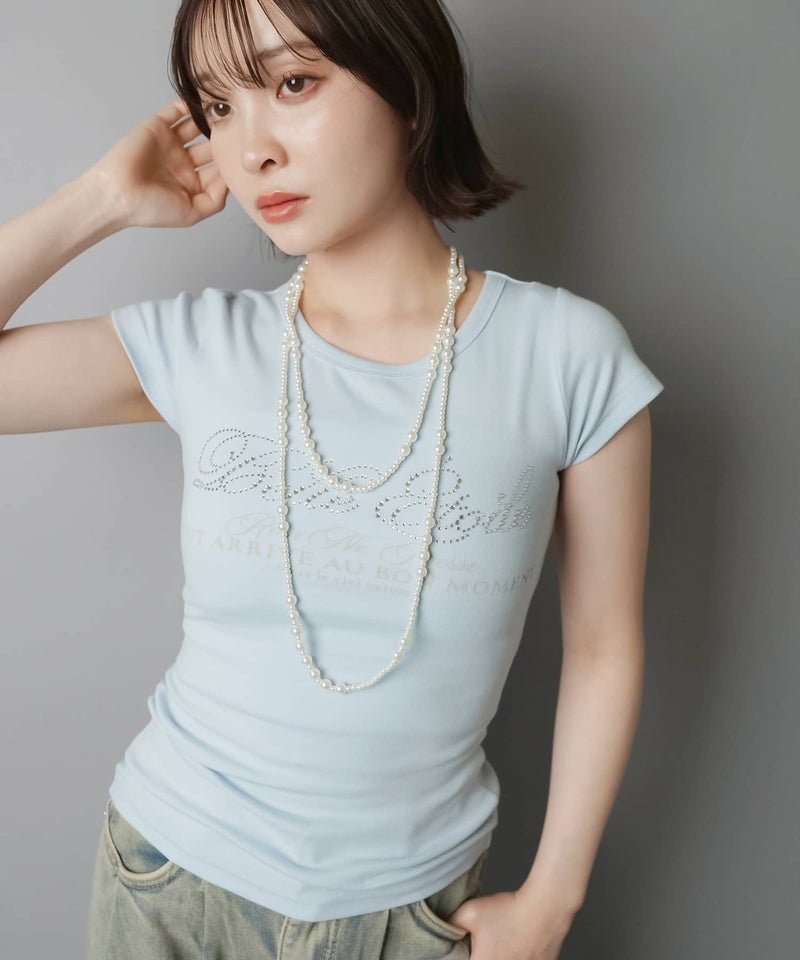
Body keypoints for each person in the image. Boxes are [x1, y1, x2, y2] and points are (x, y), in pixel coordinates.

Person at [0, 0, 665, 957]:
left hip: (408, 912)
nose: (252, 149)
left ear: (407, 83)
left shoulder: (568, 357)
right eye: (218, 109)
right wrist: (102, 198)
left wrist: (550, 902)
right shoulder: (204, 345)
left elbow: (603, 645)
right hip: (165, 882)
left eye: (293, 83)